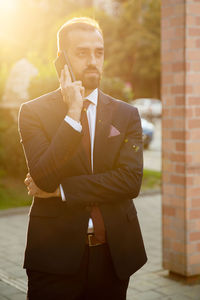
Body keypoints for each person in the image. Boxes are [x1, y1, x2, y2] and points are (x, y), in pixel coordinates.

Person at [18, 17, 147, 300]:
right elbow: (43, 177)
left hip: (114, 255)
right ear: (62, 59)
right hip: (54, 258)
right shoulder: (32, 113)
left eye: (98, 52)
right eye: (82, 52)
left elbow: (130, 181)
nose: (93, 60)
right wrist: (73, 114)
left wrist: (63, 190)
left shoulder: (127, 115)